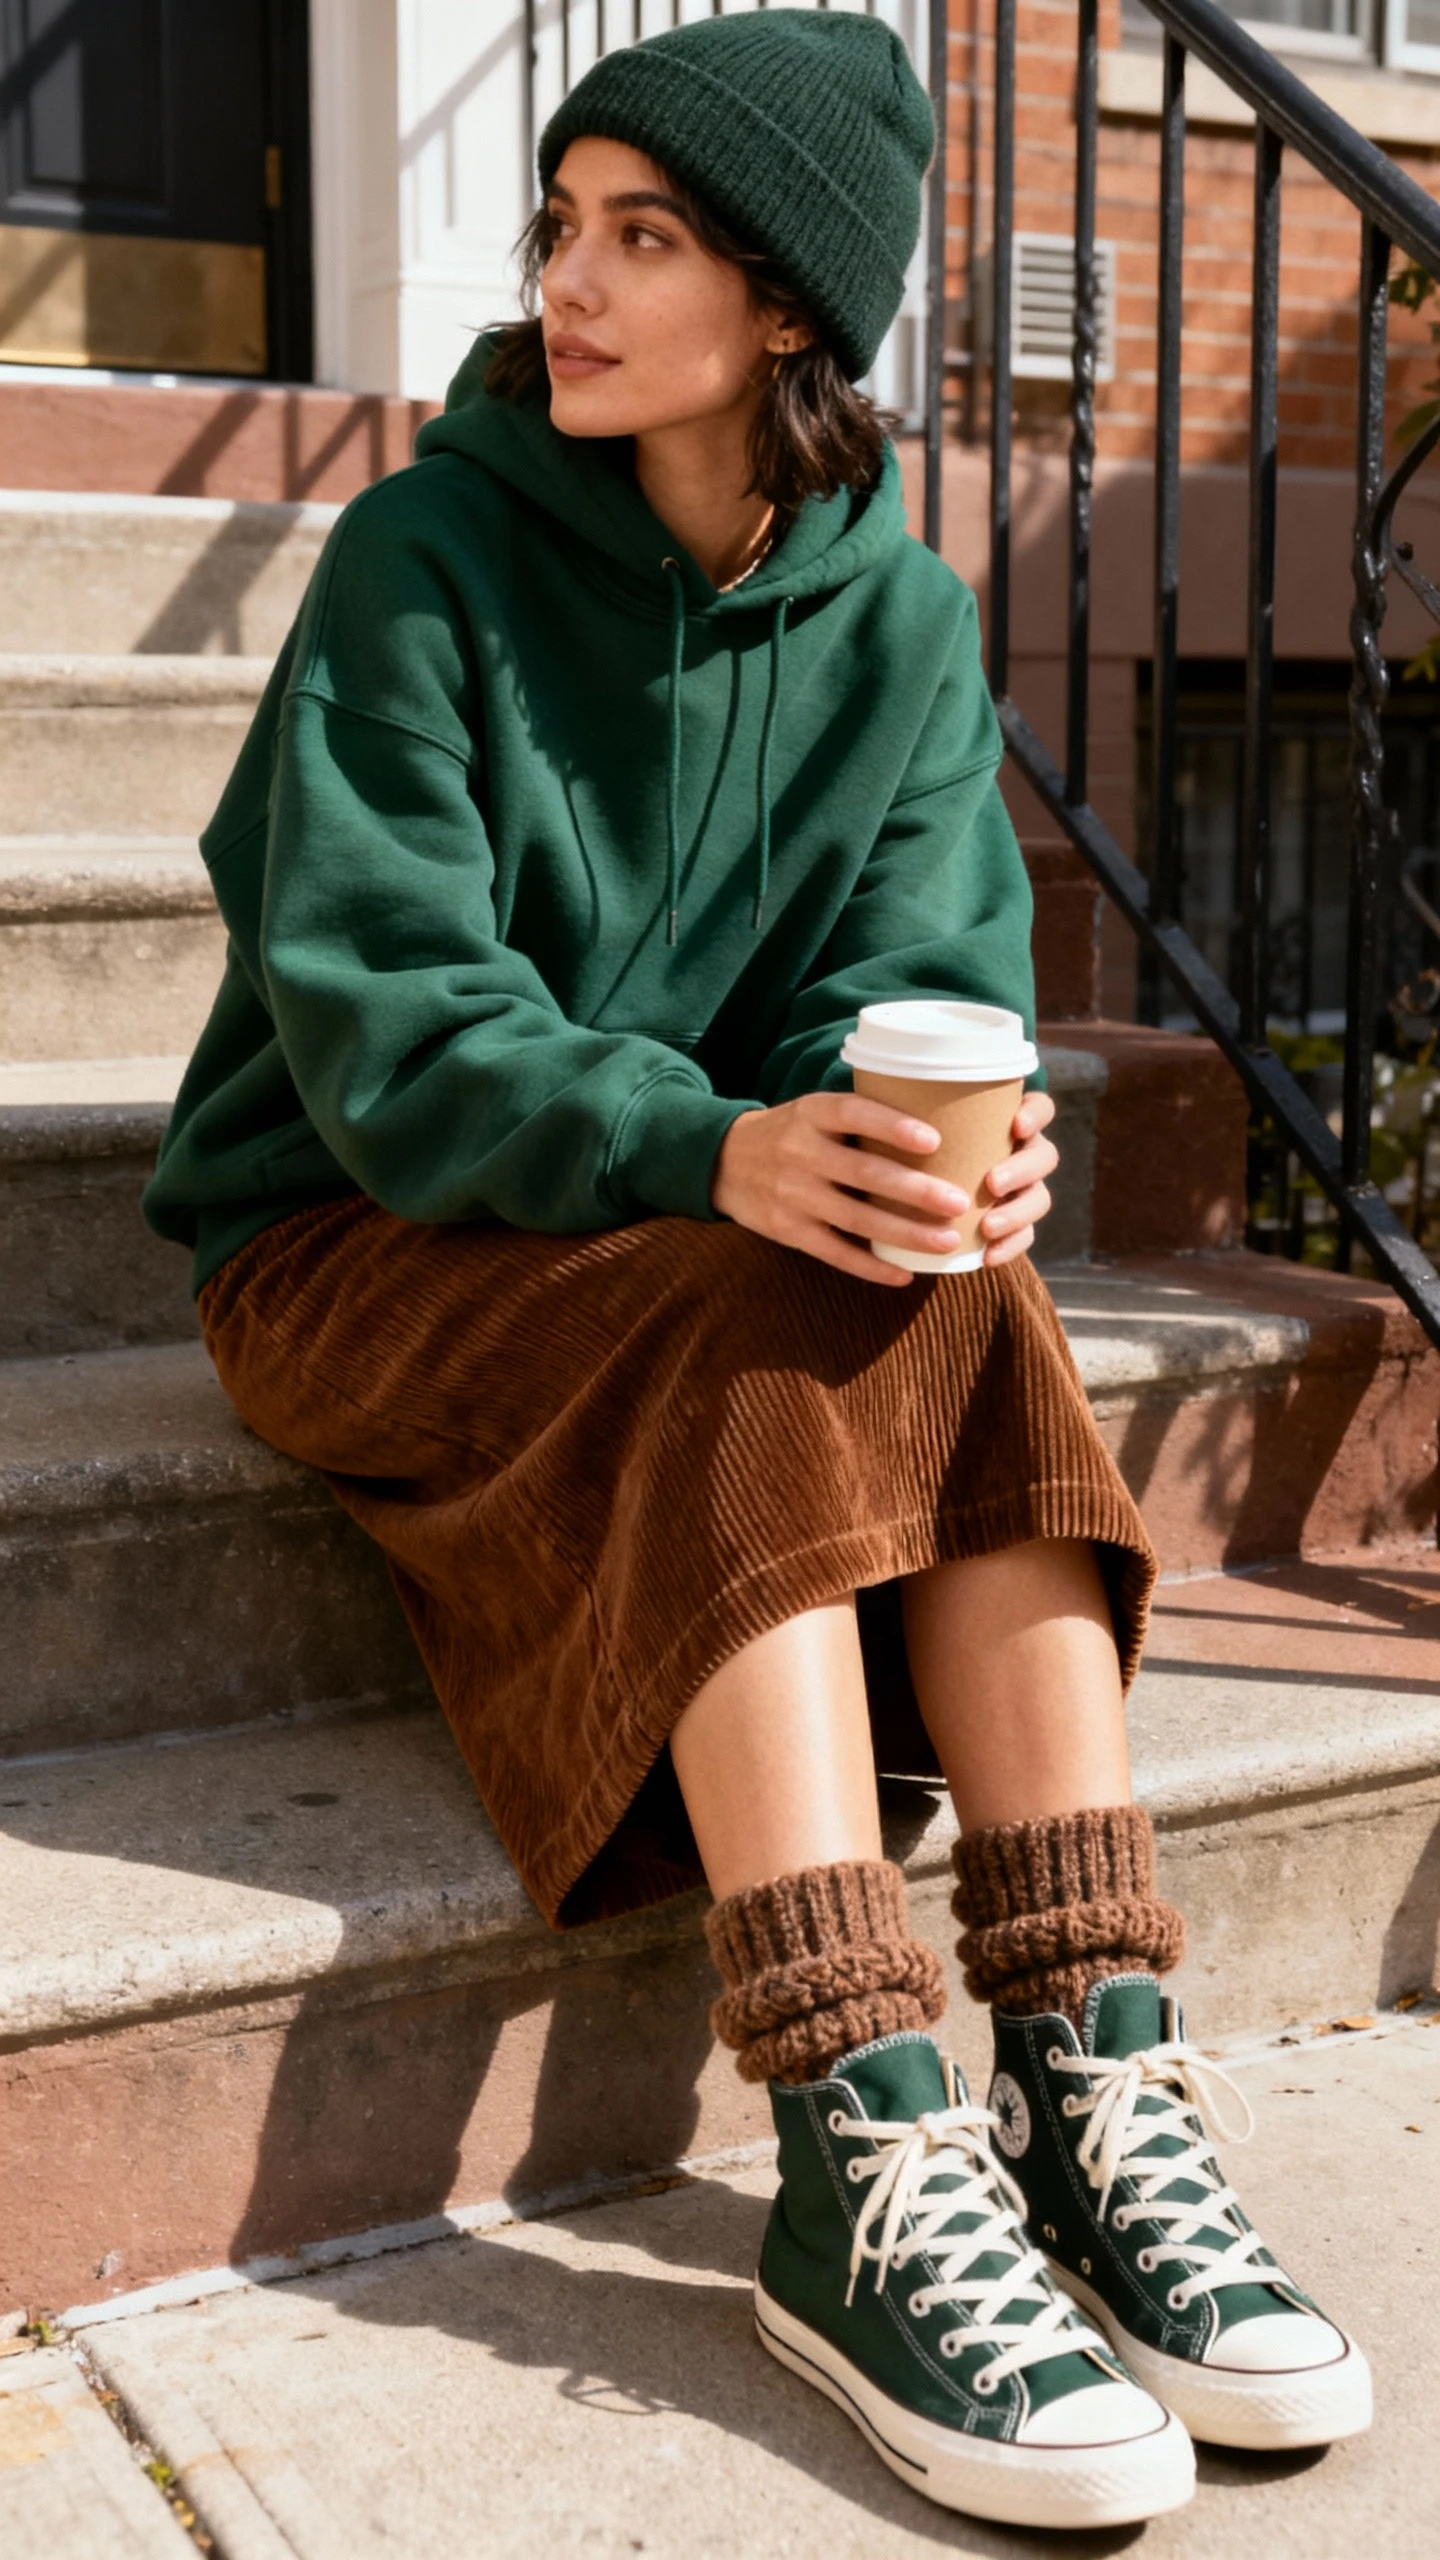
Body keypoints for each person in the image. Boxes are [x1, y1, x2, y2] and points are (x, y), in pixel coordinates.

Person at [143, 10, 1370, 2531]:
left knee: (965, 1292)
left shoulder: (902, 624)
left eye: (645, 237)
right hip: (362, 1228)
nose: (567, 287)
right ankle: (857, 2124)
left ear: (790, 306)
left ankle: (1094, 2053)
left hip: (674, 1220)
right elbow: (389, 1027)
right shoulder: (421, 558)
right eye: (562, 228)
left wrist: (973, 1135)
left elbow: (914, 979)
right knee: (748, 1303)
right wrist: (712, 1143)